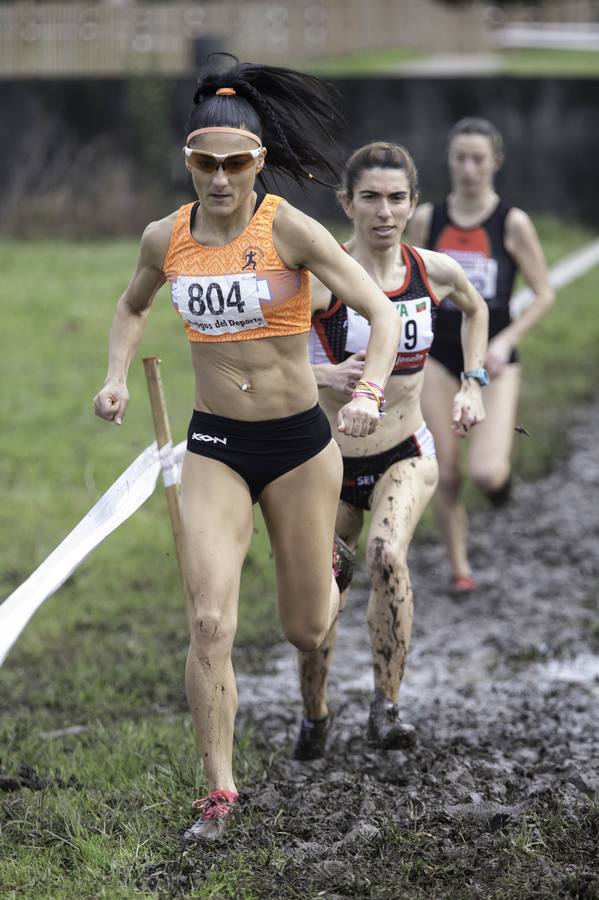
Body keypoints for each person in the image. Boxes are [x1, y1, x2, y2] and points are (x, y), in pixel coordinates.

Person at [92, 61, 402, 842]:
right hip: (217, 448)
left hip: (299, 448)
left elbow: (378, 311)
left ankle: (329, 568)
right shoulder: (166, 237)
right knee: (207, 621)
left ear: (257, 162)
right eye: (205, 162)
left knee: (305, 630)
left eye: (235, 163)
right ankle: (221, 792)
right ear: (188, 161)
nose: (220, 178)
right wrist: (115, 377)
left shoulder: (288, 228)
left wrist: (365, 395)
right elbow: (132, 307)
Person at [294, 142, 488, 759]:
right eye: (370, 198)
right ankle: (315, 714)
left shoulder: (433, 271)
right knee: (323, 589)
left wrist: (472, 382)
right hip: (327, 464)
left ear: (413, 203)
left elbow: (477, 309)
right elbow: (268, 358)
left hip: (405, 448)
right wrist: (326, 377)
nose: (384, 211)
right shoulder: (322, 281)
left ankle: (386, 707)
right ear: (346, 203)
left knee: (384, 555)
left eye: (397, 198)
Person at [409, 118, 554, 592]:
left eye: (478, 159)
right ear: (449, 162)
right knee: (446, 472)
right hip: (438, 355)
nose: (468, 169)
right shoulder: (430, 219)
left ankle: (501, 488)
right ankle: (460, 568)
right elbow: (404, 277)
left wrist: (507, 339)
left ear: (495, 163)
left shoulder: (510, 222)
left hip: (493, 359)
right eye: (460, 158)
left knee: (486, 472)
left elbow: (544, 293)